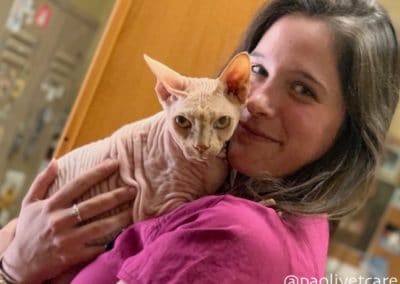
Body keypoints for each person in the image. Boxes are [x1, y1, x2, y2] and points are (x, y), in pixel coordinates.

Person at [1, 0, 399, 282]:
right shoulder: (296, 214)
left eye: (302, 89)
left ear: (350, 128)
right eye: (257, 69)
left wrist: (15, 270)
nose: (256, 101)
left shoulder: (233, 234)